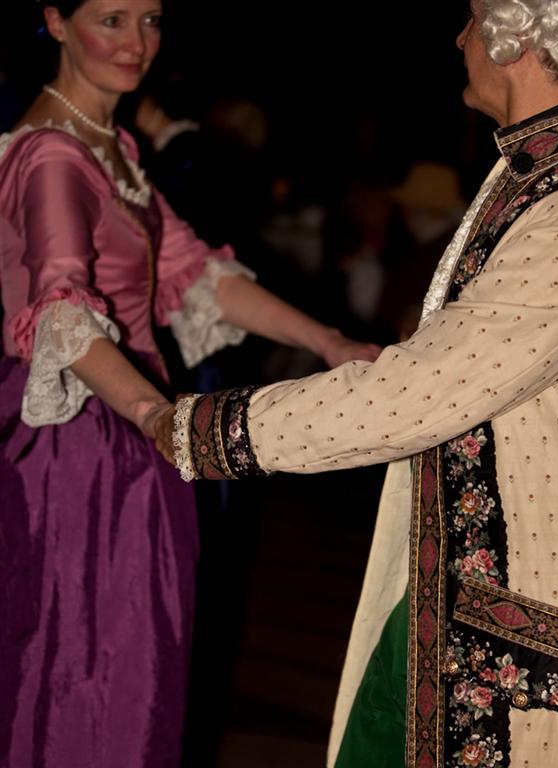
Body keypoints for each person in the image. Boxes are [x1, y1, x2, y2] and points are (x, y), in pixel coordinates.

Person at [163, 1, 558, 765]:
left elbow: (423, 389)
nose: (459, 37)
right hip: (457, 604)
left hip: (526, 633)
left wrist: (194, 431)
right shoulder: (538, 173)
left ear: (518, 37)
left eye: (472, 18)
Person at [0, 2, 381, 766]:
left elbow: (195, 273)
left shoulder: (109, 144)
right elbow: (60, 312)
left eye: (150, 20)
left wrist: (328, 341)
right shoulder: (50, 155)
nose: (137, 43)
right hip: (76, 439)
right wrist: (154, 416)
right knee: (81, 672)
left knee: (130, 663)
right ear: (57, 21)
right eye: (112, 19)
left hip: (127, 429)